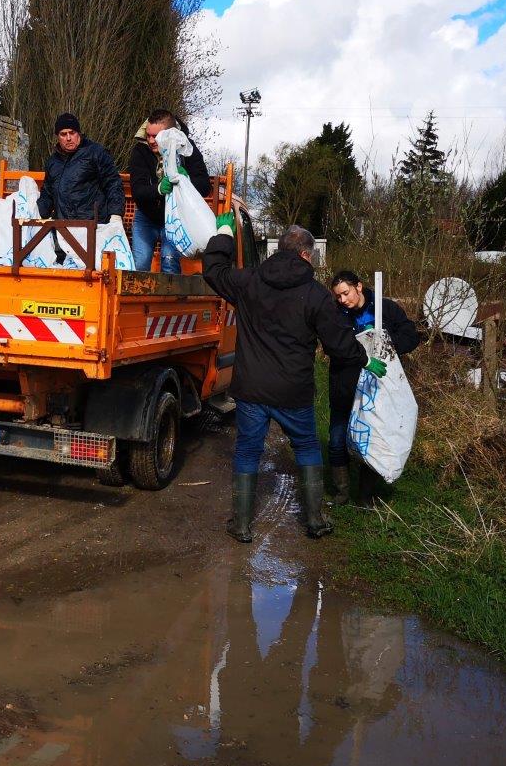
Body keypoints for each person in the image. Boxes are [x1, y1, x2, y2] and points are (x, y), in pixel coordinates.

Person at [203, 220, 381, 542]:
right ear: (304, 254)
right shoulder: (315, 294)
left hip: (252, 389)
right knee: (307, 447)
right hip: (293, 391)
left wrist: (224, 235)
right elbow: (339, 345)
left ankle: (241, 525)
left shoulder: (249, 282)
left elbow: (213, 270)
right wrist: (366, 358)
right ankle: (315, 520)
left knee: (247, 451)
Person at [326, 269, 420, 504]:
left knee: (372, 439)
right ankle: (341, 493)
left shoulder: (385, 309)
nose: (343, 300)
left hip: (376, 388)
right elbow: (332, 346)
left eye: (346, 293)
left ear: (359, 286)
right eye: (338, 296)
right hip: (345, 385)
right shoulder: (336, 315)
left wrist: (385, 346)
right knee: (337, 438)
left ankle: (365, 497)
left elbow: (411, 335)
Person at [126, 109, 212, 273]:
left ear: (169, 135)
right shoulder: (140, 151)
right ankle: (137, 299)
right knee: (139, 265)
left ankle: (168, 298)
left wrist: (186, 181)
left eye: (155, 136)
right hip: (146, 217)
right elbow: (138, 191)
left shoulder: (188, 149)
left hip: (175, 218)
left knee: (169, 261)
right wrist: (158, 189)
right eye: (148, 135)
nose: (151, 140)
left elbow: (205, 186)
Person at [37, 113, 125, 226]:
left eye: (72, 133)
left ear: (78, 132)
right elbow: (47, 192)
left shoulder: (95, 152)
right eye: (63, 134)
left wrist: (116, 214)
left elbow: (113, 183)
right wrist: (38, 213)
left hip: (92, 227)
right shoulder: (53, 162)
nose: (68, 138)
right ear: (57, 136)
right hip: (62, 227)